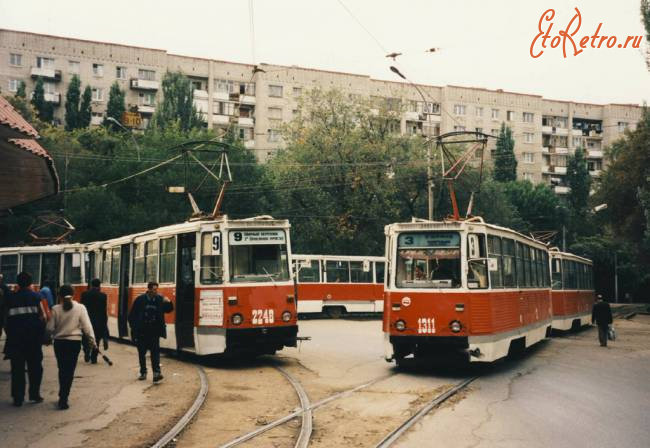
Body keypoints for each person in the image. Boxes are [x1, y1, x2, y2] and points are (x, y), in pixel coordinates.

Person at [47, 284, 96, 410]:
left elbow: (49, 328)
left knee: (62, 369)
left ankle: (62, 395)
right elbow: (87, 326)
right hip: (74, 343)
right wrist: (92, 341)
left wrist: (48, 336)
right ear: (74, 294)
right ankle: (64, 397)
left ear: (59, 295)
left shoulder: (55, 309)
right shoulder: (80, 308)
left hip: (59, 343)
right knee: (69, 371)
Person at [4, 272, 46, 406]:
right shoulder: (36, 297)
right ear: (30, 283)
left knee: (17, 370)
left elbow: (5, 320)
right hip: (33, 340)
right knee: (35, 368)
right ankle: (34, 394)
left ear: (18, 283)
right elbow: (43, 318)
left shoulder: (10, 299)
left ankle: (18, 397)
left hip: (16, 341)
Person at [128, 281, 173, 382]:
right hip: (142, 331)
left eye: (156, 289)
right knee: (142, 353)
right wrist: (134, 328)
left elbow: (169, 310)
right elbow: (132, 316)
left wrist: (168, 301)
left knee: (155, 353)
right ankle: (143, 372)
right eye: (153, 289)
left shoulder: (159, 299)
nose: (155, 291)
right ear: (148, 289)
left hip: (154, 331)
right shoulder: (140, 300)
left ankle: (156, 373)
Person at [81, 278, 108, 364]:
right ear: (99, 285)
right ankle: (94, 357)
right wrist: (104, 323)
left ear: (91, 285)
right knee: (97, 339)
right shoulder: (103, 296)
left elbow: (82, 309)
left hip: (87, 320)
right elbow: (104, 311)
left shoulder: (84, 294)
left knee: (85, 338)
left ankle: (86, 351)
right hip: (98, 322)